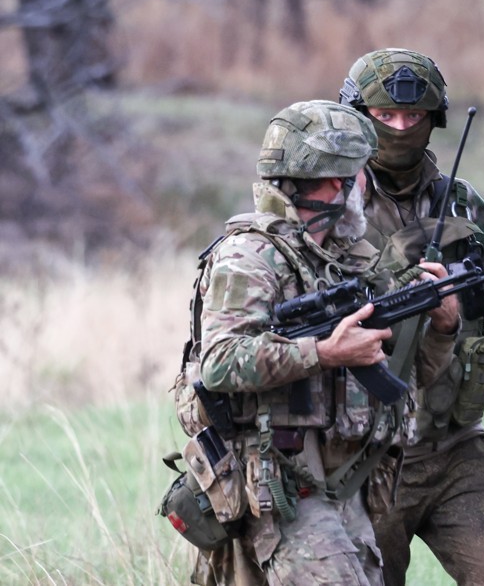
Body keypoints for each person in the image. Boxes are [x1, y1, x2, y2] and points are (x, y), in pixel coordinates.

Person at [180, 99, 461, 586]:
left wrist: (442, 327)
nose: (363, 189)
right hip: (280, 483)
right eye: (357, 176)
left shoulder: (346, 259)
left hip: (346, 483)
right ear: (336, 184)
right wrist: (325, 353)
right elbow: (220, 363)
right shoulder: (250, 256)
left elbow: (406, 378)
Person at [339, 48, 484, 586]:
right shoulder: (335, 207)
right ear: (359, 118)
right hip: (369, 451)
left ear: (434, 119)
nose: (400, 128)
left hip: (454, 442)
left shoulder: (457, 201)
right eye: (385, 117)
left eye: (413, 116)